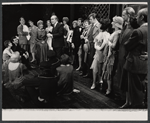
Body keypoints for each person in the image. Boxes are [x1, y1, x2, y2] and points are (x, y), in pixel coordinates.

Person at [120, 8, 148, 108]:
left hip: (135, 64)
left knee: (135, 91)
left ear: (142, 17)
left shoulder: (138, 31)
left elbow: (127, 46)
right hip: (144, 64)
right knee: (141, 88)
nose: (136, 18)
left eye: (138, 16)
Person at [103, 16, 123, 95]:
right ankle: (109, 88)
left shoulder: (117, 33)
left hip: (112, 55)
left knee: (110, 72)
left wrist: (108, 42)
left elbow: (114, 45)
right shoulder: (116, 32)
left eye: (113, 22)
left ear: (117, 24)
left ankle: (109, 89)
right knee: (109, 71)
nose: (111, 23)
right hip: (110, 53)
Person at [117, 7, 135, 87]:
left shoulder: (133, 27)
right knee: (121, 75)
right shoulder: (125, 25)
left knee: (126, 77)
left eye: (124, 15)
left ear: (129, 15)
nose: (122, 17)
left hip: (126, 54)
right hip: (121, 53)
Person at [90, 19, 111, 90]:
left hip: (103, 53)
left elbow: (105, 43)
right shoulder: (100, 33)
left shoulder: (107, 34)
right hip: (98, 53)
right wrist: (96, 46)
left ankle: (100, 81)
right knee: (95, 68)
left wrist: (99, 47)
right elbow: (95, 41)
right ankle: (94, 82)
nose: (98, 25)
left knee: (101, 68)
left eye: (100, 24)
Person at [83, 13, 101, 78]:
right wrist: (86, 38)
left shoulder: (99, 26)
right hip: (88, 44)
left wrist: (95, 42)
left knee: (92, 59)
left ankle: (93, 75)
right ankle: (89, 73)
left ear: (95, 19)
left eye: (91, 19)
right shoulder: (91, 25)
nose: (90, 20)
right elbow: (88, 34)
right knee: (88, 59)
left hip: (94, 45)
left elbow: (100, 36)